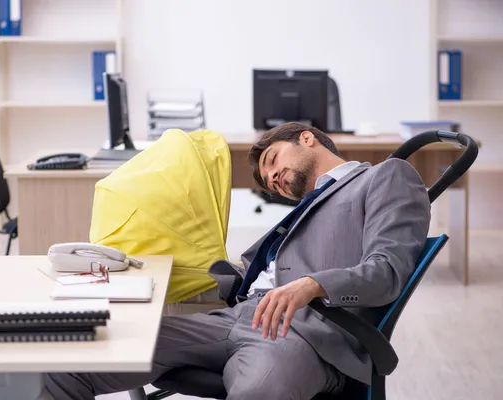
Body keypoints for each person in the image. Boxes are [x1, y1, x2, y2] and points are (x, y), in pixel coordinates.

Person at [44, 121, 431, 400]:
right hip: (233, 318)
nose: (273, 177)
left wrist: (314, 284)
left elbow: (387, 271)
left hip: (302, 334)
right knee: (72, 359)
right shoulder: (299, 216)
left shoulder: (385, 177)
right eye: (268, 180)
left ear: (307, 138)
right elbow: (254, 271)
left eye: (274, 160)